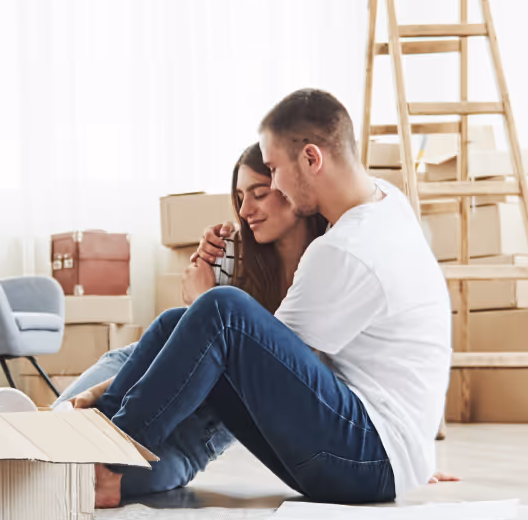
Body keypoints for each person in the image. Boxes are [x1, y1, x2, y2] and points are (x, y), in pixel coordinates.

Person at [91, 88, 453, 509]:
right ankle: (98, 442)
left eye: (276, 169)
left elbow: (265, 362)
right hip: (370, 451)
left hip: (369, 460)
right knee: (180, 320)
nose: (275, 182)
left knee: (222, 311)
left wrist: (205, 299)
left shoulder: (347, 248)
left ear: (312, 159)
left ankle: (107, 462)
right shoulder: (386, 200)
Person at [53, 142, 328, 499]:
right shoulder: (230, 252)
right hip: (136, 372)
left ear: (293, 189)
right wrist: (94, 394)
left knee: (81, 479)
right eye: (240, 196)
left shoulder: (327, 269)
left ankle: (106, 455)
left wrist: (202, 300)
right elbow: (176, 351)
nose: (245, 210)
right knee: (46, 444)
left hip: (198, 429)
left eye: (259, 194)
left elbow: (220, 352)